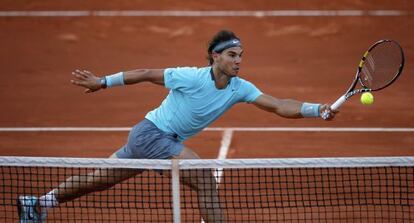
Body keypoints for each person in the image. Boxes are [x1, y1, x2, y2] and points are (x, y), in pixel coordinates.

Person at [17, 29, 336, 223]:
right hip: (152, 134)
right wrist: (102, 82)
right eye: (231, 55)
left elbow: (279, 105)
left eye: (241, 55)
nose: (238, 60)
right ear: (215, 57)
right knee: (206, 181)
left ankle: (38, 203)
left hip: (150, 139)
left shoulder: (240, 87)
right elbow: (145, 72)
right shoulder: (191, 76)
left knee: (99, 181)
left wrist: (316, 110)